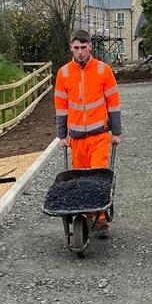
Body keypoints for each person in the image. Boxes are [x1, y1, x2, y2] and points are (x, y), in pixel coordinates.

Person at [54, 30, 122, 237]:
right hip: (76, 138)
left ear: (90, 47)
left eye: (84, 47)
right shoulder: (63, 73)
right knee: (80, 179)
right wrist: (62, 135)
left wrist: (116, 132)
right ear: (71, 48)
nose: (81, 52)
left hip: (100, 135)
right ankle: (84, 214)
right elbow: (61, 106)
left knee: (99, 175)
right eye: (76, 48)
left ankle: (101, 218)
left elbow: (113, 102)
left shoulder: (103, 70)